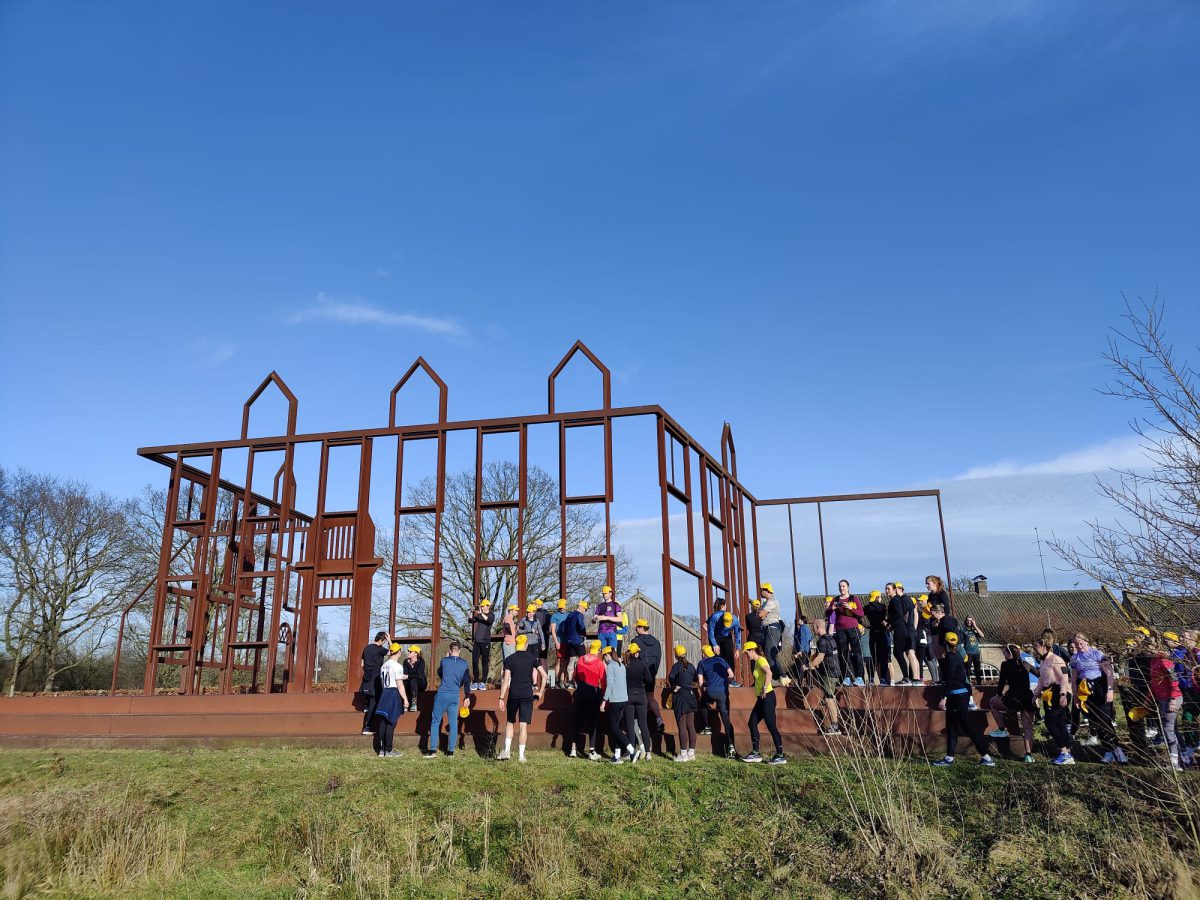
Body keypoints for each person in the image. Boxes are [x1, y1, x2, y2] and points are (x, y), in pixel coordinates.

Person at [932, 632, 994, 767]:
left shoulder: (951, 658)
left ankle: (986, 757)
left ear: (945, 644)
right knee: (952, 727)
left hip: (957, 697)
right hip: (960, 696)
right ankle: (949, 758)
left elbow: (949, 679)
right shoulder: (958, 656)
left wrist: (944, 697)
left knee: (966, 727)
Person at [1069, 632, 1127, 764]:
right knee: (1095, 720)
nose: (1079, 646)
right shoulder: (1075, 658)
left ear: (1086, 642)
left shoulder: (1096, 654)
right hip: (1086, 689)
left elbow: (1109, 673)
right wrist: (1076, 697)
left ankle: (1117, 750)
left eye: (1080, 643)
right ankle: (1108, 751)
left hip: (1100, 687)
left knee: (1105, 719)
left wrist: (1110, 690)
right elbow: (1073, 679)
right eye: (1076, 644)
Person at [496, 633, 546, 763]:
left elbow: (505, 680)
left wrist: (501, 698)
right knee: (523, 725)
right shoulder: (532, 658)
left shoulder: (509, 659)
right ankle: (521, 756)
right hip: (527, 694)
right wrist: (540, 692)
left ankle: (507, 751)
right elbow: (544, 675)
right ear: (526, 645)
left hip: (513, 694)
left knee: (510, 722)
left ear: (516, 644)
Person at [988, 643, 1037, 762]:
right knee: (1028, 728)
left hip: (1013, 698)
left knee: (993, 702)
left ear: (1009, 654)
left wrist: (999, 694)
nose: (1004, 656)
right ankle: (1028, 756)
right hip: (1027, 697)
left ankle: (1001, 729)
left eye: (1004, 653)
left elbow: (1001, 682)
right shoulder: (1025, 663)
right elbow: (1039, 674)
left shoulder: (1005, 664)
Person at [424, 641, 472, 758]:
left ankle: (433, 751)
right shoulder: (464, 663)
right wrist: (467, 696)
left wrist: (446, 658)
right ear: (459, 651)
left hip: (442, 693)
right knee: (453, 723)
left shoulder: (444, 661)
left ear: (450, 651)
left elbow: (440, 673)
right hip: (454, 695)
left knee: (435, 722)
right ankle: (450, 752)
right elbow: (467, 681)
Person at [741, 641, 786, 765]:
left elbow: (769, 673)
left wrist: (765, 688)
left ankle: (780, 755)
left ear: (752, 650)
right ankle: (755, 753)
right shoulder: (756, 662)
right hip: (761, 699)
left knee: (771, 726)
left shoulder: (761, 660)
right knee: (752, 723)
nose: (746, 655)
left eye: (747, 652)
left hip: (768, 698)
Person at [1034, 640, 1074, 765]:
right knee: (1060, 723)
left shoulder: (1056, 659)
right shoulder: (1043, 661)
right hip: (1048, 693)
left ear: (1044, 646)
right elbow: (1041, 679)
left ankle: (1064, 752)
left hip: (1059, 691)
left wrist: (1063, 694)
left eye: (1037, 646)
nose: (1035, 648)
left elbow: (1064, 677)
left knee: (1050, 722)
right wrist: (1036, 694)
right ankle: (1066, 753)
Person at [697, 644, 737, 758]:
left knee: (703, 703)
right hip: (723, 693)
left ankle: (707, 727)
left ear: (704, 654)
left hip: (710, 691)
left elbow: (700, 683)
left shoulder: (702, 663)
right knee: (726, 719)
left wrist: (703, 693)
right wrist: (725, 682)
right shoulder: (721, 660)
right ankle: (731, 747)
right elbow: (731, 675)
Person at [1150, 636, 1184, 770]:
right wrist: (1148, 699)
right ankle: (1182, 757)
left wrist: (1173, 699)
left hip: (1171, 698)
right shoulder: (1153, 661)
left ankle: (1175, 763)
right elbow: (1154, 682)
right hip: (1162, 698)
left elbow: (1174, 679)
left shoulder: (1164, 661)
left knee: (1167, 729)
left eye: (1149, 648)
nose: (1147, 651)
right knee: (1171, 729)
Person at [570, 639, 606, 759]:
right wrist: (604, 696)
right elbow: (603, 682)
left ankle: (573, 749)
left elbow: (575, 676)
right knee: (592, 722)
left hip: (580, 693)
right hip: (593, 694)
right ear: (599, 650)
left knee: (577, 720)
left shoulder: (580, 660)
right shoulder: (599, 664)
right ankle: (592, 751)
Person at [601, 646, 637, 764]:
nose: (604, 660)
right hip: (624, 699)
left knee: (614, 728)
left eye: (604, 657)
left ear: (607, 656)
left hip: (615, 700)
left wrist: (604, 700)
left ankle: (631, 750)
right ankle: (617, 756)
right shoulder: (621, 665)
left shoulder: (610, 666)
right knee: (616, 728)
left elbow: (610, 685)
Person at [825, 580, 865, 686]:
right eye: (840, 586)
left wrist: (851, 608)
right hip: (840, 630)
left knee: (857, 652)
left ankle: (860, 677)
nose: (842, 588)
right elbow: (827, 613)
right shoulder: (835, 599)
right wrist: (832, 608)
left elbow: (861, 613)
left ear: (848, 587)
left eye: (844, 586)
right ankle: (847, 677)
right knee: (843, 653)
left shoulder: (854, 599)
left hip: (853, 628)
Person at [373, 642, 409, 757]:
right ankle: (388, 750)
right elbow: (399, 684)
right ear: (399, 652)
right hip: (393, 693)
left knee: (383, 722)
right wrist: (405, 699)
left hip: (385, 692)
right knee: (391, 722)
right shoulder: (397, 666)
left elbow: (383, 682)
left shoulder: (384, 665)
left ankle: (381, 750)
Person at [632, 618, 665, 739]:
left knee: (639, 700)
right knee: (650, 697)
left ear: (641, 628)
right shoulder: (656, 642)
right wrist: (653, 673)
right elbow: (658, 659)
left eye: (637, 627)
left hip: (638, 675)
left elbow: (633, 657)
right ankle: (659, 719)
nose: (636, 629)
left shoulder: (635, 641)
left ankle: (640, 727)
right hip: (651, 674)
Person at [808, 620, 841, 735]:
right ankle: (834, 725)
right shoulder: (831, 639)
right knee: (828, 697)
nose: (812, 629)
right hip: (834, 671)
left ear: (818, 627)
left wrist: (808, 666)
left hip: (829, 673)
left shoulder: (822, 641)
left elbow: (820, 658)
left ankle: (835, 727)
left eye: (813, 627)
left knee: (829, 699)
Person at [668, 644, 699, 762]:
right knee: (691, 726)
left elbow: (671, 677)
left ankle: (683, 755)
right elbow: (695, 679)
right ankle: (691, 753)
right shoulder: (691, 666)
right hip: (691, 696)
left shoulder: (676, 666)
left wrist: (674, 686)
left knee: (682, 727)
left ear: (676, 655)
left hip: (680, 697)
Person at [625, 642, 655, 761]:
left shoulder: (625, 665)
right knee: (643, 724)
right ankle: (648, 753)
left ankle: (631, 752)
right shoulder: (642, 665)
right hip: (641, 695)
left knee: (630, 725)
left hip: (628, 695)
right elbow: (649, 680)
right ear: (636, 653)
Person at [887, 582, 918, 685]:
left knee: (898, 652)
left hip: (900, 628)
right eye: (886, 589)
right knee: (901, 652)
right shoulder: (896, 600)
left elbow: (900, 614)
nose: (887, 591)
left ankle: (907, 677)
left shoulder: (895, 600)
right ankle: (908, 677)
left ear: (895, 589)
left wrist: (889, 622)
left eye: (889, 589)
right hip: (901, 628)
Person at [359, 631, 390, 734]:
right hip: (376, 677)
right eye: (384, 641)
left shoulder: (366, 648)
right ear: (381, 640)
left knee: (370, 701)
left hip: (367, 677)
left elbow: (362, 664)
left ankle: (366, 707)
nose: (384, 643)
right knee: (374, 702)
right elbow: (393, 652)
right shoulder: (380, 649)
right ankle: (367, 727)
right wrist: (390, 640)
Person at [707, 603, 743, 687]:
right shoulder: (715, 617)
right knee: (718, 658)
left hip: (727, 637)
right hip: (716, 637)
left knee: (730, 657)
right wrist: (714, 645)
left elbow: (737, 634)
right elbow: (710, 631)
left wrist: (738, 649)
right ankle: (719, 680)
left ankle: (731, 680)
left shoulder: (735, 620)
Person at [759, 583, 788, 684]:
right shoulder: (766, 602)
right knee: (770, 654)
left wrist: (761, 613)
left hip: (772, 628)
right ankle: (780, 677)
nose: (760, 592)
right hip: (768, 628)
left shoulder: (772, 601)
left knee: (770, 654)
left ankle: (779, 677)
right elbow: (760, 614)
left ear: (766, 591)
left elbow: (760, 614)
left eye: (761, 590)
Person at [864, 589, 891, 686]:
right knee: (884, 658)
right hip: (882, 633)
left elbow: (858, 617)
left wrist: (865, 625)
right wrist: (887, 624)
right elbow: (890, 616)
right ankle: (883, 679)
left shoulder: (866, 607)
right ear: (878, 597)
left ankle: (871, 679)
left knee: (873, 657)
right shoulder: (883, 606)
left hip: (872, 632)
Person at [468, 601, 495, 691]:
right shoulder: (479, 615)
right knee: (475, 662)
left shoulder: (491, 615)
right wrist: (470, 612)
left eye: (483, 606)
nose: (482, 608)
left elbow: (489, 620)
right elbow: (471, 621)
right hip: (477, 642)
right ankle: (476, 682)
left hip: (485, 642)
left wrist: (481, 613)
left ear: (488, 606)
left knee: (484, 662)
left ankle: (483, 682)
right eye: (481, 606)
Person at [549, 598, 570, 688]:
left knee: (566, 662)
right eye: (560, 607)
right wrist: (556, 642)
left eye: (563, 607)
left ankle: (562, 681)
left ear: (566, 606)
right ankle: (556, 681)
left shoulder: (569, 615)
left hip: (568, 641)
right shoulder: (554, 616)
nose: (562, 609)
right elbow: (553, 630)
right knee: (559, 661)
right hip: (559, 641)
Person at [595, 585, 622, 653]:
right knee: (603, 653)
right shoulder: (599, 606)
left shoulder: (615, 605)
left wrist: (606, 617)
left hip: (611, 631)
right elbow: (594, 619)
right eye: (603, 593)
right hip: (601, 632)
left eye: (606, 593)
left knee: (613, 653)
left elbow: (620, 619)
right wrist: (595, 619)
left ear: (610, 593)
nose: (604, 595)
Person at [402, 645, 427, 712]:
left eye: (410, 652)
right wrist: (407, 677)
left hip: (420, 683)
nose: (408, 653)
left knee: (413, 680)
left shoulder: (421, 661)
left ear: (416, 653)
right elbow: (405, 674)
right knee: (402, 682)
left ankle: (414, 704)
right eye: (408, 651)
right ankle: (404, 703)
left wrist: (408, 676)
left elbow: (419, 675)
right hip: (410, 683)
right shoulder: (406, 662)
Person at [961, 616, 985, 684]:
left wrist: (975, 626)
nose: (969, 622)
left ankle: (979, 683)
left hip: (976, 653)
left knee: (978, 669)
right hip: (968, 652)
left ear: (973, 621)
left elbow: (982, 635)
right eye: (968, 620)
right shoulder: (963, 630)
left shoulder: (975, 629)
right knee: (967, 669)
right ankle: (967, 683)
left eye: (970, 621)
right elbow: (961, 642)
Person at [792, 614, 813, 683]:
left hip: (803, 651)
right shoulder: (807, 628)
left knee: (801, 667)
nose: (799, 621)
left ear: (801, 620)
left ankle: (800, 682)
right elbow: (810, 638)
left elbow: (802, 639)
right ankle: (809, 682)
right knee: (807, 666)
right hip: (807, 650)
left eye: (799, 620)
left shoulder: (802, 628)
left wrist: (800, 650)